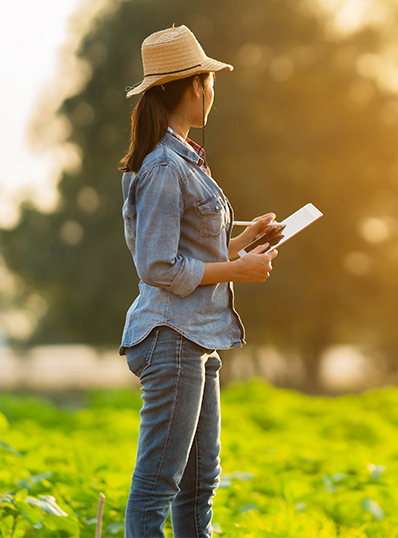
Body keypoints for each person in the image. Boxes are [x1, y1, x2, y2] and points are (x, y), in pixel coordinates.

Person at [117, 25, 278, 538]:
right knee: (158, 488)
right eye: (210, 81)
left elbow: (188, 251)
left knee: (198, 485)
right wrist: (238, 270)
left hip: (197, 338)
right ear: (193, 86)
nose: (213, 93)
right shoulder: (165, 166)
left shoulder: (184, 158)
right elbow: (158, 266)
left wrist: (242, 239)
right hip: (173, 339)